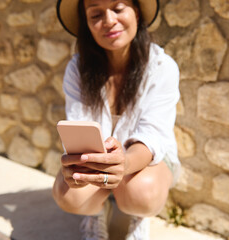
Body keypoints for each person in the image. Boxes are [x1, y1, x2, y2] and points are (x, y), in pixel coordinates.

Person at [53, 0, 180, 239]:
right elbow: (78, 127)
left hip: (145, 161)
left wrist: (123, 164)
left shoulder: (163, 67)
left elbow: (153, 135)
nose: (109, 21)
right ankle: (95, 213)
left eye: (119, 8)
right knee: (67, 192)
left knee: (142, 193)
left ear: (138, 13)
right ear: (87, 25)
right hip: (97, 161)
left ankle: (136, 217)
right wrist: (81, 168)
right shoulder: (77, 69)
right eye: (95, 15)